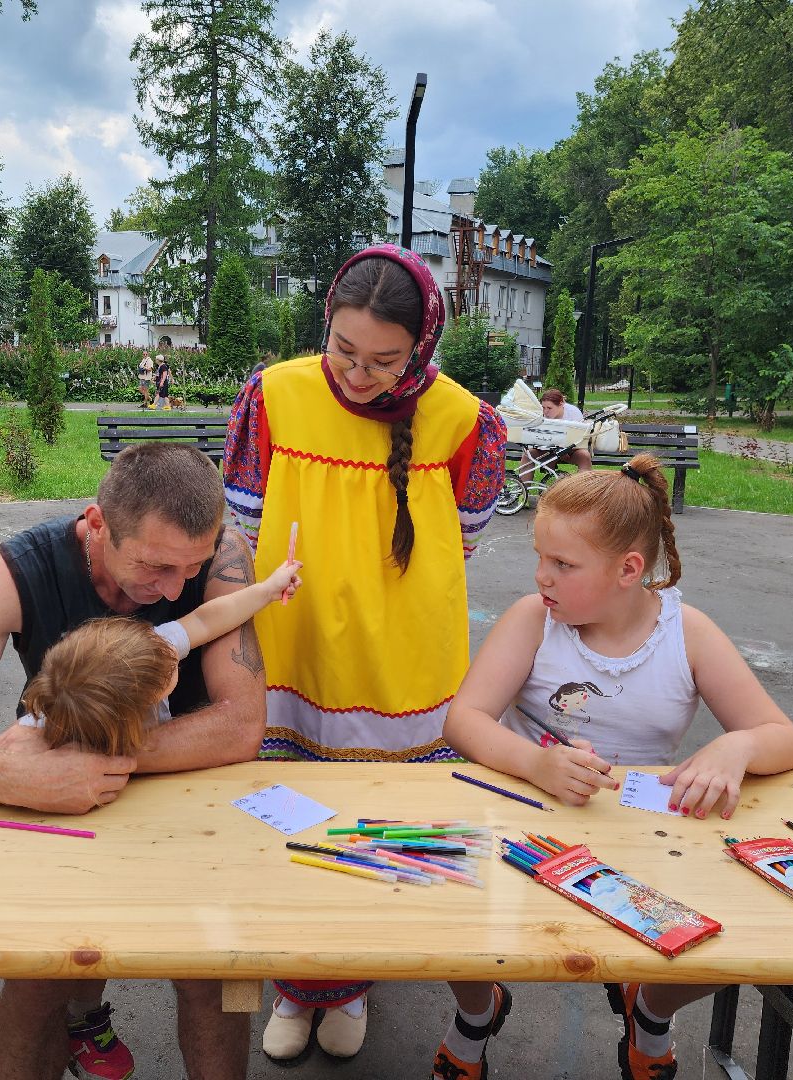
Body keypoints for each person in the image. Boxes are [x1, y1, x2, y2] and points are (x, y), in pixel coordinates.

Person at [0, 443, 267, 1080]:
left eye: (189, 571)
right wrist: (13, 774)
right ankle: (83, 1014)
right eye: (156, 566)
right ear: (97, 522)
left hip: (195, 807)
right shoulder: (17, 570)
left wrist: (88, 752)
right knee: (40, 978)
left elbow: (241, 727)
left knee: (220, 974)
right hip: (67, 805)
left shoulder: (224, 554)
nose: (174, 590)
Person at [222, 243, 507, 1062]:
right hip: (293, 638)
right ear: (325, 324)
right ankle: (296, 981)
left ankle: (353, 978)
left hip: (405, 657)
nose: (356, 373)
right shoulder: (273, 393)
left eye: (384, 361)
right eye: (343, 350)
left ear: (421, 348)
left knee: (388, 826)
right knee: (287, 816)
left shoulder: (464, 420)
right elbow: (244, 526)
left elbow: (470, 535)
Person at [441, 454, 793, 1080]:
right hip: (524, 819)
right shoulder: (534, 620)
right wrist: (536, 763)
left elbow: (783, 738)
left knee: (728, 934)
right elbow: (465, 720)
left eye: (562, 564)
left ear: (628, 570)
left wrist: (734, 747)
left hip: (641, 837)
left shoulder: (686, 632)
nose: (541, 578)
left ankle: (651, 1012)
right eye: (540, 558)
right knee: (444, 909)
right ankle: (477, 1013)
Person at [22, 557, 302, 755]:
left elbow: (206, 620)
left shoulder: (149, 648)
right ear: (153, 696)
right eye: (171, 665)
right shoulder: (50, 728)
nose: (173, 652)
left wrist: (267, 590)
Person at [520, 387, 593, 478]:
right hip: (546, 449)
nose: (545, 412)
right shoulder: (539, 414)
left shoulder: (573, 413)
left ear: (561, 404)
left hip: (570, 450)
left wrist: (564, 451)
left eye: (549, 408)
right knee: (528, 455)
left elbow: (579, 439)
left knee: (585, 456)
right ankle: (523, 489)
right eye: (543, 407)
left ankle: (583, 489)